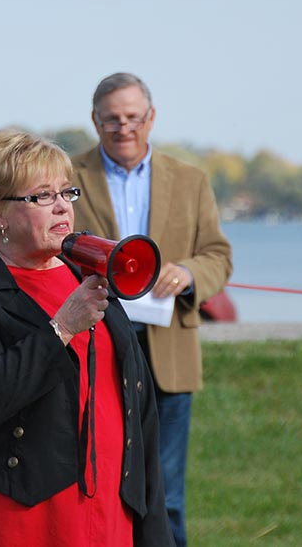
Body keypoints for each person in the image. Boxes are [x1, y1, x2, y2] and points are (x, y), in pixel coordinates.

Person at [0, 129, 175, 547]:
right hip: (8, 518)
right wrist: (62, 329)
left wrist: (152, 528)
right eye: (41, 196)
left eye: (66, 193)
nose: (61, 208)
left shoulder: (84, 277)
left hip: (107, 513)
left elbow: (136, 412)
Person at [71, 72, 233, 547]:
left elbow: (218, 256)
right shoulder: (68, 177)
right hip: (95, 346)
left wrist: (186, 274)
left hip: (168, 354)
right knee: (96, 486)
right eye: (112, 119)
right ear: (95, 121)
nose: (124, 127)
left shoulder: (190, 180)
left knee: (167, 496)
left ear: (151, 118)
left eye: (133, 117)